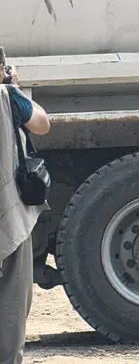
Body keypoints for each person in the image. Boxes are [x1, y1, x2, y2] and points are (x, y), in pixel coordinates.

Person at [0, 57, 51, 364]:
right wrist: (14, 87)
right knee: (13, 296)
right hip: (8, 210)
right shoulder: (7, 98)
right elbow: (42, 125)